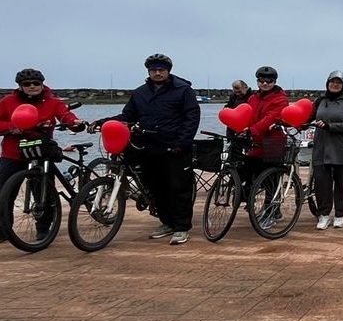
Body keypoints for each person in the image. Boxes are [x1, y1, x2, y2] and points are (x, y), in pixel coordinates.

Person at [96, 54, 200, 245]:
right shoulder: (140, 93)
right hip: (148, 147)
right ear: (148, 72)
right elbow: (127, 116)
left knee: (178, 188)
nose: (157, 73)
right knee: (155, 189)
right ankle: (167, 222)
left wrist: (182, 142)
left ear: (168, 70)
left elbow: (191, 119)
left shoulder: (183, 90)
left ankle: (182, 227)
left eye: (161, 69)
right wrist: (104, 122)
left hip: (174, 147)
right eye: (154, 70)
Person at [0, 69, 85, 242]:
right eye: (27, 84)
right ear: (20, 87)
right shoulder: (8, 101)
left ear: (42, 84)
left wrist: (75, 124)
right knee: (4, 192)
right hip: (13, 153)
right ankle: (2, 231)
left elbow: (65, 115)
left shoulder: (52, 101)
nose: (32, 87)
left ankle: (43, 229)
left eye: (36, 83)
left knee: (44, 193)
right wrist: (11, 126)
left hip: (41, 152)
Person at [310, 71, 343, 230]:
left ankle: (339, 214)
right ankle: (323, 214)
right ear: (327, 83)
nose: (335, 84)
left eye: (339, 82)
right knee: (321, 183)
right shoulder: (319, 101)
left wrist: (330, 126)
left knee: (342, 184)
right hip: (321, 147)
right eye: (332, 82)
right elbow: (307, 117)